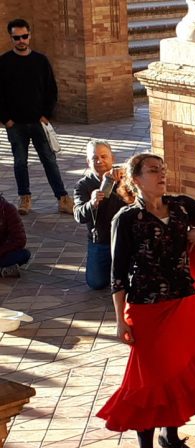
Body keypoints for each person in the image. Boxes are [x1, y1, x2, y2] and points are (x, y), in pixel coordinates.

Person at [97, 152, 195, 448]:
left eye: (163, 169)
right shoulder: (126, 219)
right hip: (148, 309)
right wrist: (120, 320)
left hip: (184, 304)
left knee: (180, 372)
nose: (162, 175)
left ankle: (171, 437)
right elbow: (117, 275)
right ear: (136, 179)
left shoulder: (181, 206)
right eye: (153, 170)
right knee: (150, 382)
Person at [0, 18, 73, 216]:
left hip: (39, 122)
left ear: (30, 35)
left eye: (24, 36)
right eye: (17, 37)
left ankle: (63, 198)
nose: (21, 40)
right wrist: (6, 119)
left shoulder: (41, 60)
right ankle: (25, 198)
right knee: (20, 162)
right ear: (11, 38)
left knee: (49, 160)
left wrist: (46, 115)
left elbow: (51, 89)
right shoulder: (4, 62)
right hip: (16, 125)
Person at [73, 140, 135, 290]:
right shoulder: (83, 185)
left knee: (132, 281)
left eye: (103, 156)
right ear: (88, 162)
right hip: (101, 240)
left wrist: (122, 182)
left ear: (112, 158)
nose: (99, 161)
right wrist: (91, 203)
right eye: (94, 158)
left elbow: (139, 201)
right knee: (96, 283)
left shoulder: (125, 177)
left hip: (126, 238)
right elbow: (79, 215)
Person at [0, 193, 31, 278]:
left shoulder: (8, 209)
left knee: (24, 254)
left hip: (2, 251)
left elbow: (20, 240)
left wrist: (2, 250)